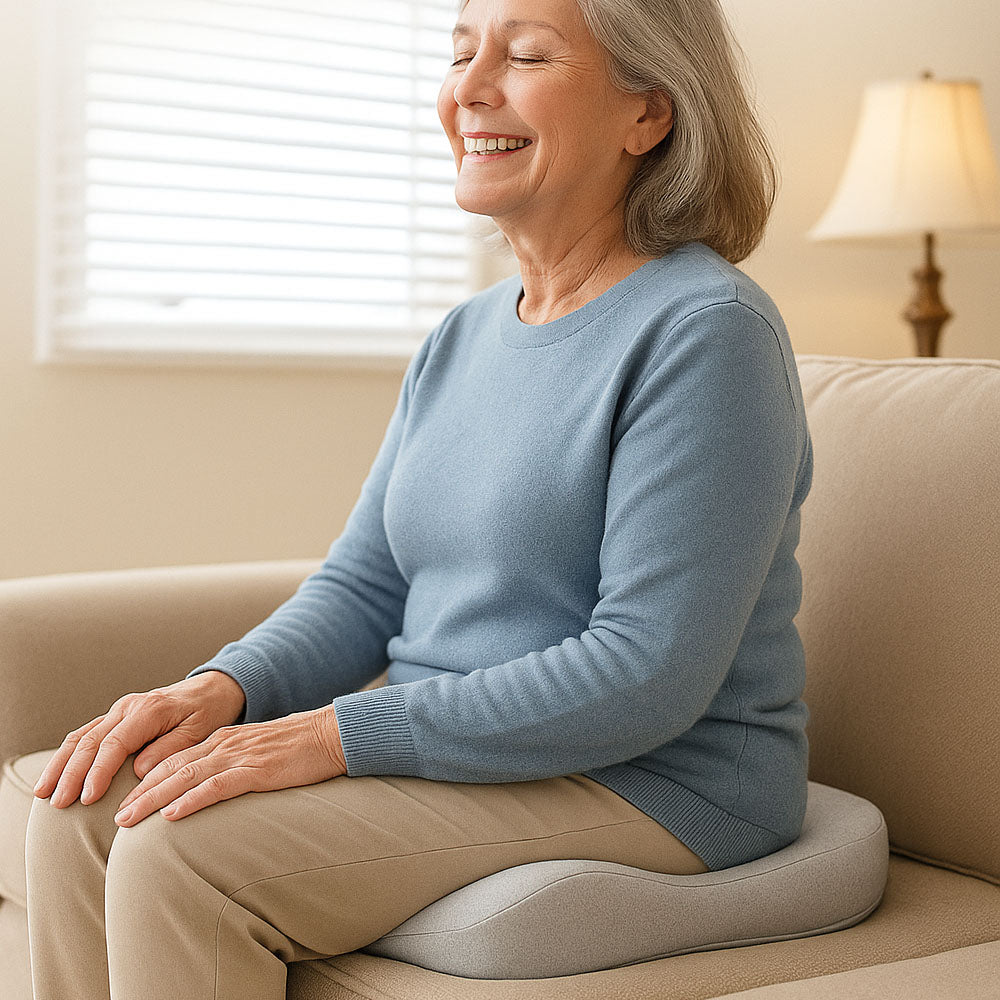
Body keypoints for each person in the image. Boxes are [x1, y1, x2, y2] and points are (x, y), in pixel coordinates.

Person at [24, 0, 814, 997]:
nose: (467, 88)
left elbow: (647, 672)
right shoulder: (464, 335)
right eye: (458, 53)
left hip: (656, 776)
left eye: (525, 55)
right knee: (73, 812)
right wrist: (218, 689)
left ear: (647, 114)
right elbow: (366, 585)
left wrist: (331, 736)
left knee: (180, 852)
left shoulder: (708, 331)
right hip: (464, 746)